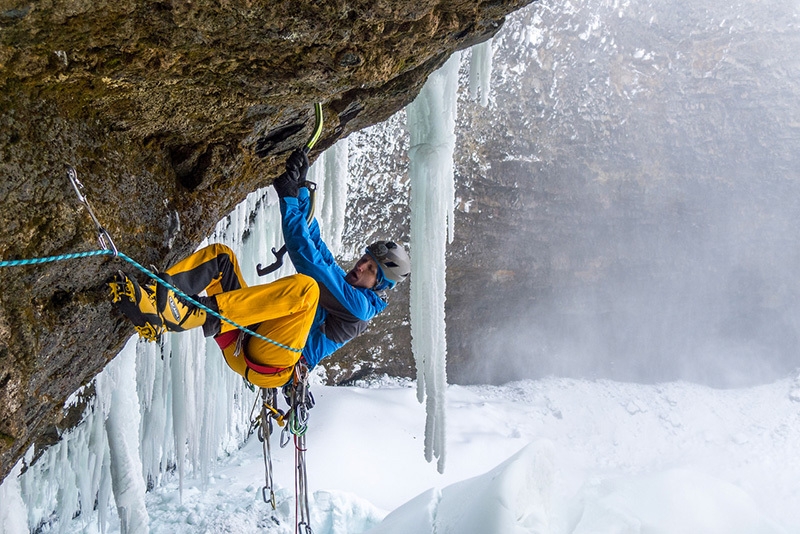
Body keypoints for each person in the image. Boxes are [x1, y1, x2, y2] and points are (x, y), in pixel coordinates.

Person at [108, 149, 411, 388]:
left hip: (273, 363)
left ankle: (193, 313)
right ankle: (155, 300)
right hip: (246, 337)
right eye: (365, 259)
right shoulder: (346, 285)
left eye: (371, 268)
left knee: (306, 287)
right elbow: (314, 240)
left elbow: (309, 260)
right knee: (220, 258)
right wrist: (301, 188)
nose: (361, 266)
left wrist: (288, 198)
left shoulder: (357, 309)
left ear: (380, 285)